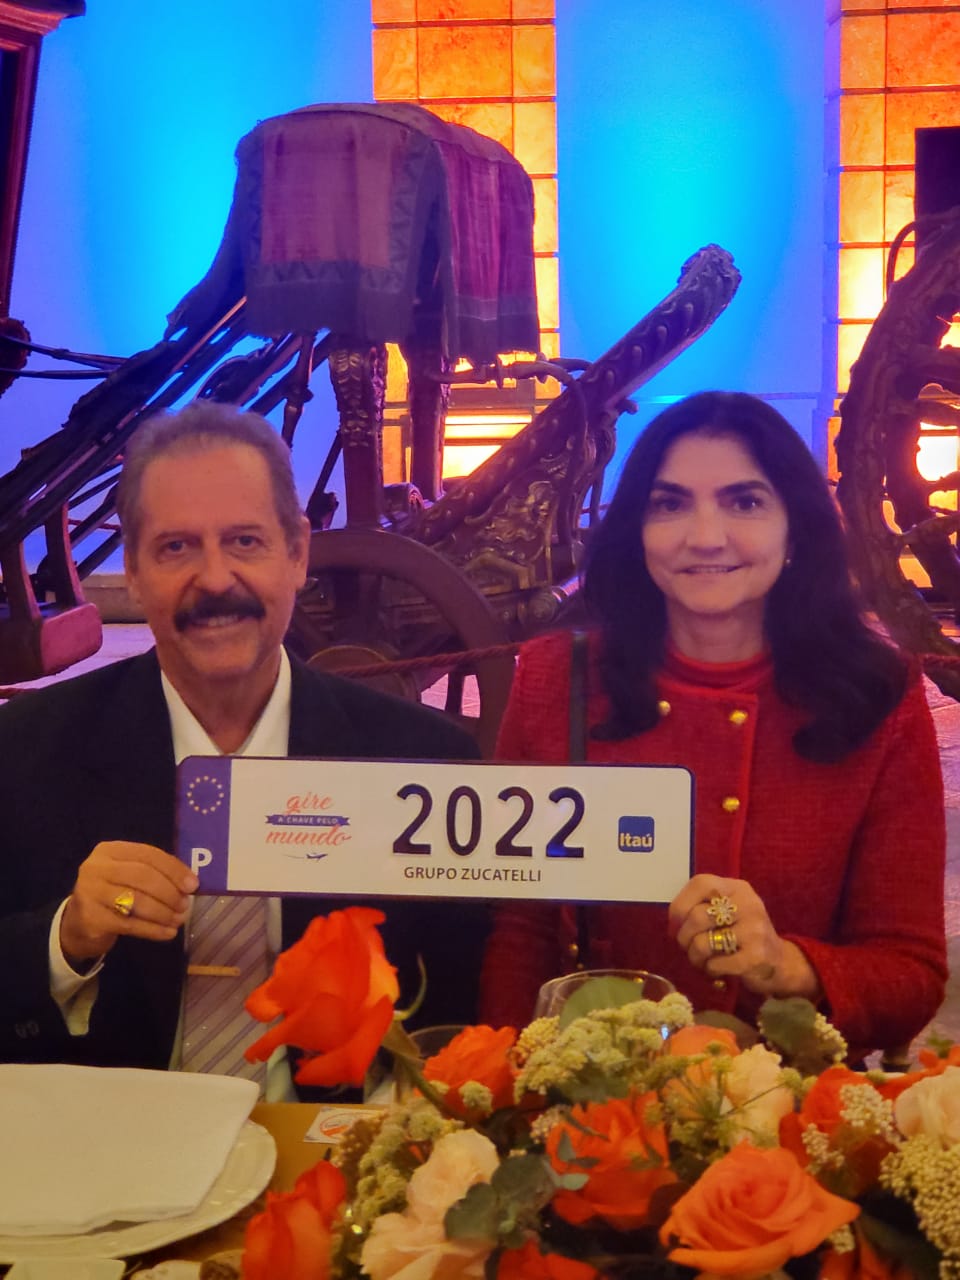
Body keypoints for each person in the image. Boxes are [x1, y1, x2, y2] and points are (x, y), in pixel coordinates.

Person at [0, 400, 485, 1081]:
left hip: (334, 1135)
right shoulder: (22, 753)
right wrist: (68, 935)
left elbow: (459, 1024)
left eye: (245, 542)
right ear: (132, 571)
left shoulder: (426, 765)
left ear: (298, 554)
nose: (215, 579)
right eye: (176, 547)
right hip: (113, 1133)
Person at [479, 391, 947, 1060]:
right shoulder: (557, 678)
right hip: (594, 1093)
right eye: (670, 504)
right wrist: (508, 1082)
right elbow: (520, 929)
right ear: (637, 530)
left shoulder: (880, 696)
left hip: (788, 1099)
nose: (704, 537)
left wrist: (787, 965)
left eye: (745, 502)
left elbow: (912, 976)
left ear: (796, 529)